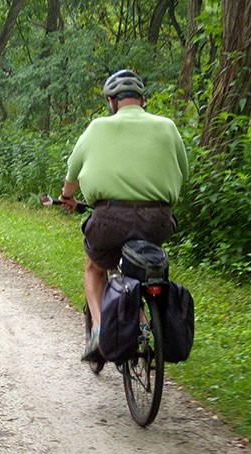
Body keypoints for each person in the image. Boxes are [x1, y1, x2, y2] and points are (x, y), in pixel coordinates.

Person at [59, 69, 189, 367]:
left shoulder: (96, 128)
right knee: (142, 264)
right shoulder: (167, 127)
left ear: (110, 101)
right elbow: (184, 172)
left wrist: (68, 196)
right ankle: (144, 320)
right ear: (143, 100)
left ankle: (100, 330)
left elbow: (72, 173)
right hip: (158, 220)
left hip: (109, 218)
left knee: (95, 267)